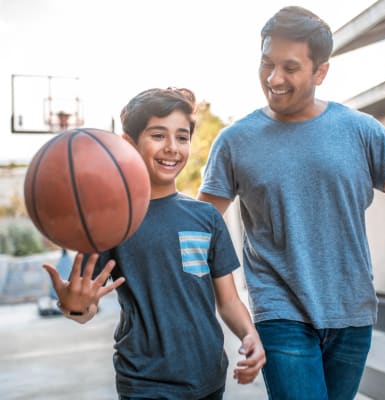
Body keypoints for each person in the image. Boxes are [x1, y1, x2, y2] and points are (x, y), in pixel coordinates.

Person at [198, 6, 385, 400]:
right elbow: (198, 225)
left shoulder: (361, 132)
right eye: (267, 63)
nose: (274, 79)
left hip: (352, 312)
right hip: (280, 312)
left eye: (290, 67)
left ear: (320, 72)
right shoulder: (235, 142)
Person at [43, 87, 266, 400]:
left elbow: (228, 300)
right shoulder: (110, 221)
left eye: (183, 137)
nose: (172, 148)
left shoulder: (206, 217)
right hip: (145, 381)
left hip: (209, 376)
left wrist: (249, 333)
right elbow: (86, 305)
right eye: (158, 135)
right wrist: (74, 305)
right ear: (129, 144)